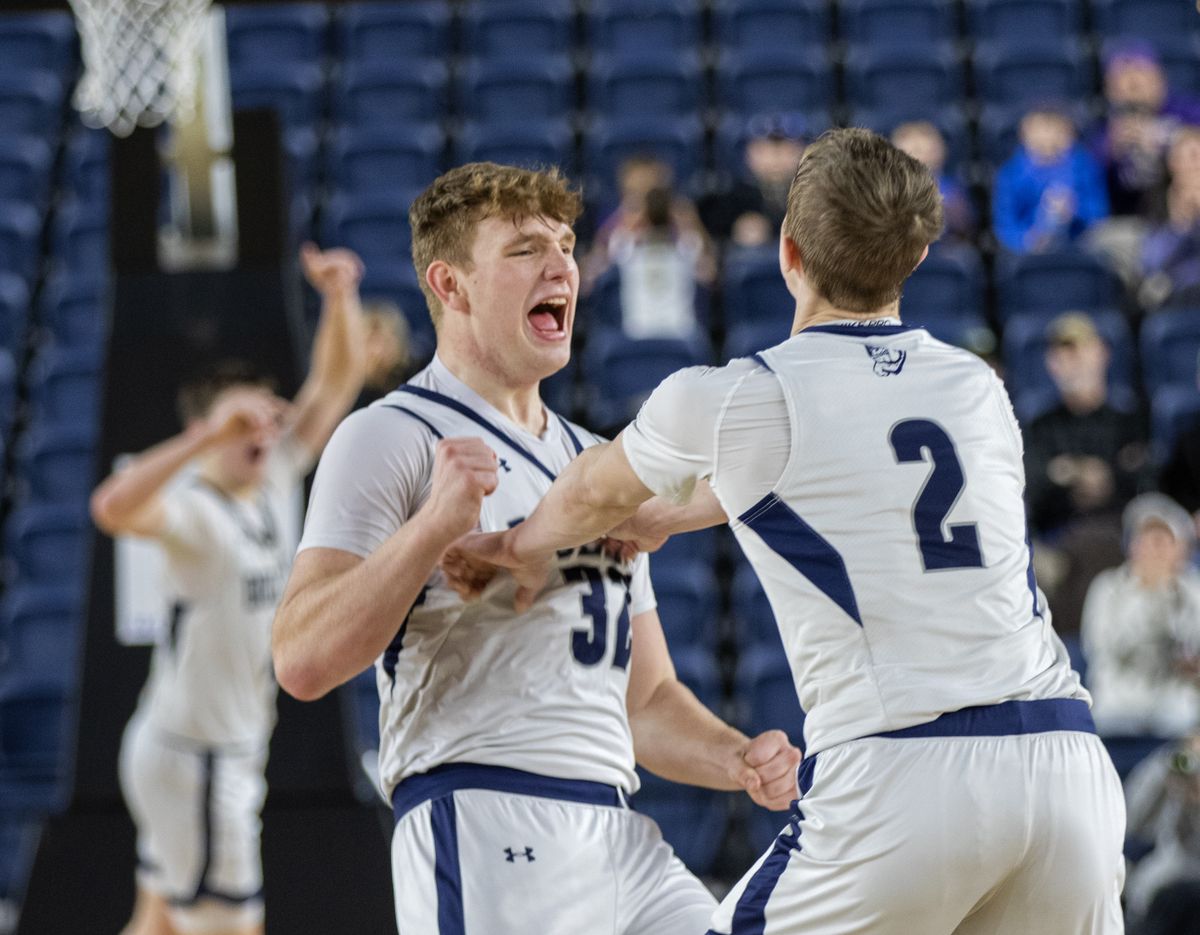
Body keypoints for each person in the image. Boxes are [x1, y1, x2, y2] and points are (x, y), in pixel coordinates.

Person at [444, 129, 1126, 934]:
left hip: (904, 766)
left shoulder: (741, 396)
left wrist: (513, 550)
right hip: (1066, 767)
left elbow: (589, 492)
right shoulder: (976, 385)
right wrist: (682, 510)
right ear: (913, 259)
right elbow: (866, 482)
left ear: (788, 251)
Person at [270, 162, 802, 934]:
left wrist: (733, 756)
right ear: (450, 285)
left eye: (565, 244)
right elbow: (301, 658)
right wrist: (431, 530)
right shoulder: (390, 434)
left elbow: (646, 699)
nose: (562, 264)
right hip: (488, 811)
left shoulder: (595, 462)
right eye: (524, 249)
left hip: (618, 829)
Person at [90, 244, 367, 935]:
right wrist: (205, 438)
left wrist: (339, 297)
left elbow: (336, 381)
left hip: (215, 751)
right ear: (206, 430)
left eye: (265, 419)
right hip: (196, 763)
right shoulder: (194, 511)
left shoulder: (274, 476)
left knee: (155, 922)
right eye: (241, 424)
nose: (263, 432)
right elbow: (112, 507)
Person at [1082, 493, 1200, 739]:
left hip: (1175, 701)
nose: (1149, 548)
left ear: (1180, 549)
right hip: (1118, 698)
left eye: (1160, 541)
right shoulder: (1108, 586)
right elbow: (1098, 646)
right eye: (1142, 538)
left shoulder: (1193, 589)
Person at [993, 106, 1110, 254]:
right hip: (1028, 251)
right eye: (1040, 128)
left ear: (1070, 133)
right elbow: (1005, 224)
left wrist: (1074, 212)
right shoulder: (1010, 173)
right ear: (1024, 133)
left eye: (1056, 129)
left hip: (1079, 244)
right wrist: (1027, 239)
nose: (1048, 136)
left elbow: (1098, 213)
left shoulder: (1085, 166)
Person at [1124, 731, 1200, 934]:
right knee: (1148, 885)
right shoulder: (1174, 760)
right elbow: (1134, 825)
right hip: (1169, 875)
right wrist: (1165, 775)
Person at [701, 112, 808, 248]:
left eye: (785, 149)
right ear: (749, 153)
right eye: (764, 150)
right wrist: (736, 227)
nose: (775, 158)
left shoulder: (814, 194)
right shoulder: (733, 196)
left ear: (801, 151)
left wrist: (771, 229)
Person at [891, 119, 975, 241]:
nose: (922, 158)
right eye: (916, 151)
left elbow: (964, 226)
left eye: (929, 152)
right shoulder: (887, 188)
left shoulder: (951, 187)